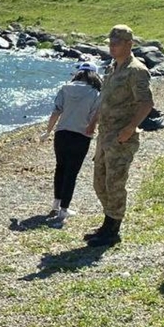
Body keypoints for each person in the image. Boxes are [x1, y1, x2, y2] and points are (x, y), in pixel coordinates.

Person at [83, 25, 154, 247]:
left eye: (116, 43)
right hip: (105, 135)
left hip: (121, 137)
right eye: (110, 42)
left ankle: (112, 229)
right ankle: (108, 222)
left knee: (114, 181)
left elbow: (146, 103)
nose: (112, 47)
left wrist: (130, 128)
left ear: (129, 44)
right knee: (99, 182)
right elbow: (104, 100)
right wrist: (93, 122)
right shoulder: (113, 68)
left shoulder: (136, 70)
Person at [39, 63, 101, 228]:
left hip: (61, 133)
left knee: (60, 168)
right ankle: (64, 210)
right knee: (71, 173)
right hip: (81, 135)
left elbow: (56, 111)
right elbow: (95, 116)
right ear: (95, 75)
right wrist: (92, 129)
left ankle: (55, 204)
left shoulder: (65, 88)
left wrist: (47, 131)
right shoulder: (95, 93)